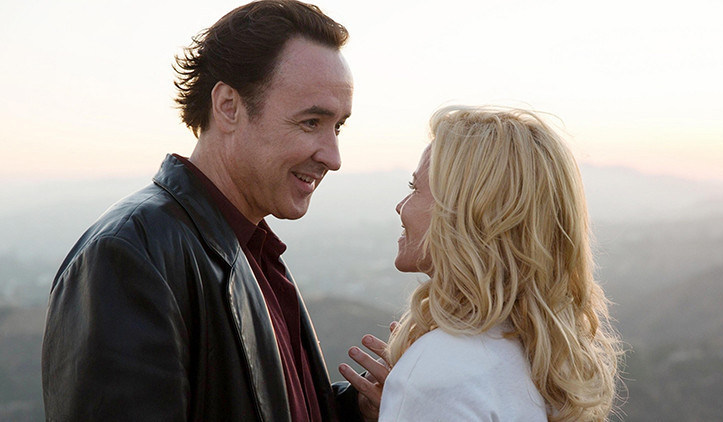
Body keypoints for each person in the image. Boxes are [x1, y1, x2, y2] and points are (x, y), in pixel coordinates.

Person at [41, 1, 387, 420]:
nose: (333, 157)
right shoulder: (131, 254)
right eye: (311, 122)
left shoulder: (251, 249)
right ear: (228, 106)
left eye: (338, 127)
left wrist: (356, 410)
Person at [380, 106, 623, 421]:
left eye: (414, 189)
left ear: (463, 214)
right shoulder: (544, 364)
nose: (400, 206)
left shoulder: (437, 374)